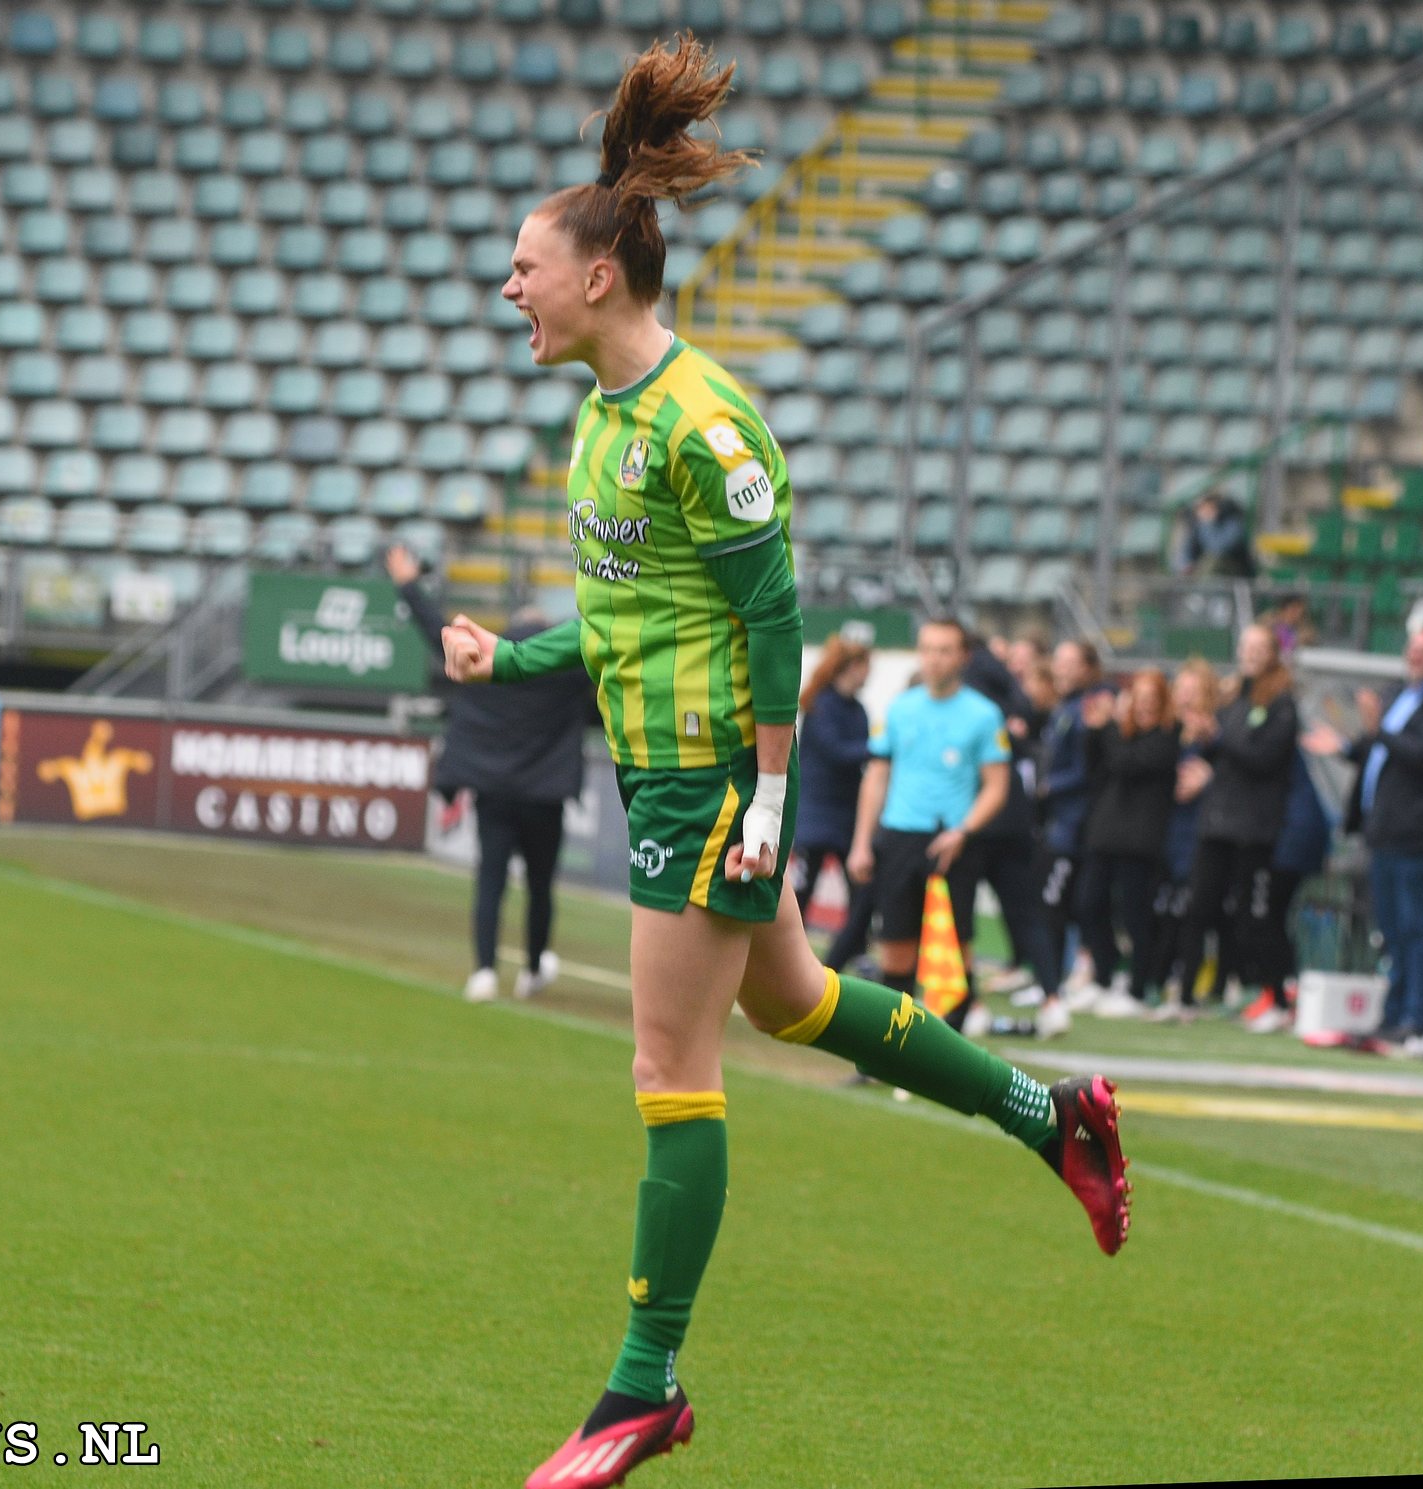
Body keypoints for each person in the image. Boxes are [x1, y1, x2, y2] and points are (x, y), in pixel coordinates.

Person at [437, 39, 1131, 1487]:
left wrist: (763, 798)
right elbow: (624, 618)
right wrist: (515, 658)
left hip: (705, 785)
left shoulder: (706, 420)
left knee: (668, 1066)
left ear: (600, 277)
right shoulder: (601, 425)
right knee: (801, 1002)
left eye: (525, 266)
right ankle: (1051, 1116)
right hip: (671, 775)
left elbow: (776, 617)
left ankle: (643, 1386)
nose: (509, 288)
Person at [841, 620, 1071, 1039]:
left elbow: (997, 786)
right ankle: (891, 1052)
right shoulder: (900, 707)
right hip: (900, 836)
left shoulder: (983, 715)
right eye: (928, 648)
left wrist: (964, 830)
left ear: (964, 657)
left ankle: (948, 1053)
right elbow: (876, 775)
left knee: (955, 953)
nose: (934, 658)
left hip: (953, 843)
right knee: (895, 950)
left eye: (945, 650)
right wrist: (861, 842)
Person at [387, 544, 594, 1002]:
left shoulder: (483, 661)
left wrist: (406, 581)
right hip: (545, 797)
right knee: (541, 889)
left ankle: (483, 971)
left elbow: (432, 627)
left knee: (490, 883)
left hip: (494, 793)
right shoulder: (566, 671)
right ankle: (534, 969)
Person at [1303, 627, 1423, 1048]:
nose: (1415, 656)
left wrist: (1378, 729)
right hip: (1385, 833)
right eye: (1412, 648)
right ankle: (1395, 1015)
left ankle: (1420, 1017)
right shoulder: (1403, 693)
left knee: (1415, 929)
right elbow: (1382, 749)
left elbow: (1422, 754)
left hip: (1420, 837)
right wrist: (1347, 747)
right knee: (1393, 931)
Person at [1165, 625, 1300, 1018]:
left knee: (1254, 917)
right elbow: (1223, 754)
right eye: (1246, 646)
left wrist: (1219, 738)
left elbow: (1263, 759)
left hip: (1254, 830)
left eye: (1259, 647)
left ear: (1274, 653)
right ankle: (1185, 997)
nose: (1250, 654)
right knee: (1198, 907)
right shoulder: (1233, 697)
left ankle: (1278, 998)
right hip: (1218, 822)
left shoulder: (1281, 705)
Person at [962, 629, 1066, 1015]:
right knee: (1026, 914)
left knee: (962, 914)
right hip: (1014, 822)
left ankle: (968, 1003)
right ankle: (1053, 997)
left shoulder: (971, 702)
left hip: (976, 821)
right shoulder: (1012, 702)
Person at [1075, 671, 1180, 1017]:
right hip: (1106, 834)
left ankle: (1137, 988)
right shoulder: (1121, 734)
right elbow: (1096, 767)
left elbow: (1125, 763)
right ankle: (1103, 976)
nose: (1145, 702)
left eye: (1152, 696)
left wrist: (1106, 728)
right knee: (1089, 904)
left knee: (1136, 916)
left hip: (1140, 841)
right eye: (1140, 695)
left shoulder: (1166, 737)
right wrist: (1096, 730)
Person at [1143, 661, 1220, 1015]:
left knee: (1191, 913)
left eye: (1193, 689)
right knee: (1163, 910)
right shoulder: (1166, 732)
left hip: (1197, 837)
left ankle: (1186, 990)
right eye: (1181, 688)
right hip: (1167, 832)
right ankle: (1156, 981)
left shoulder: (1214, 738)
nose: (1185, 696)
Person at [1236, 755, 1333, 1033]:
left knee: (1266, 920)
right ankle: (1275, 993)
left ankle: (1281, 999)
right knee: (1266, 920)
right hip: (1284, 842)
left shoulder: (1272, 743)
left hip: (1283, 846)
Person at [1042, 641, 1114, 1001]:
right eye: (1059, 661)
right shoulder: (1064, 707)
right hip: (1062, 821)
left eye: (1070, 662)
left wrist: (1048, 785)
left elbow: (1087, 770)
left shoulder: (1092, 705)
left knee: (1065, 902)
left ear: (1089, 667)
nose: (1062, 669)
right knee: (1066, 903)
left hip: (1080, 824)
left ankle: (1059, 981)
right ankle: (1056, 978)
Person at [790, 634, 871, 918]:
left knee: (860, 888)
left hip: (846, 813)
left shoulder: (858, 710)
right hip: (816, 810)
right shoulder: (822, 705)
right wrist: (881, 747)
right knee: (803, 886)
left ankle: (856, 948)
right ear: (852, 667)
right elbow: (837, 752)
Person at [1172, 491, 1257, 579]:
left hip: (1235, 571)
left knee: (1213, 561)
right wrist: (1186, 564)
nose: (1203, 512)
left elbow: (1219, 548)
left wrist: (1208, 524)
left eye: (1208, 508)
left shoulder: (1232, 521)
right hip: (1207, 571)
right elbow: (1186, 550)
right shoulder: (1198, 525)